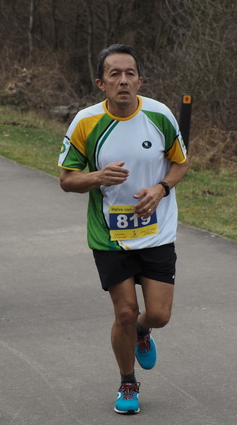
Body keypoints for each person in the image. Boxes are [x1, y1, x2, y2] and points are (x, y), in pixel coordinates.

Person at [58, 44, 189, 415]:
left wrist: (161, 188)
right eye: (114, 74)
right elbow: (67, 180)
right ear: (101, 83)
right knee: (125, 313)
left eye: (130, 73)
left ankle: (143, 334)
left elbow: (181, 164)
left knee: (158, 315)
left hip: (157, 231)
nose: (124, 81)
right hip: (109, 235)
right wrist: (97, 177)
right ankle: (127, 381)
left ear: (140, 79)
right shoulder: (86, 122)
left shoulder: (160, 115)